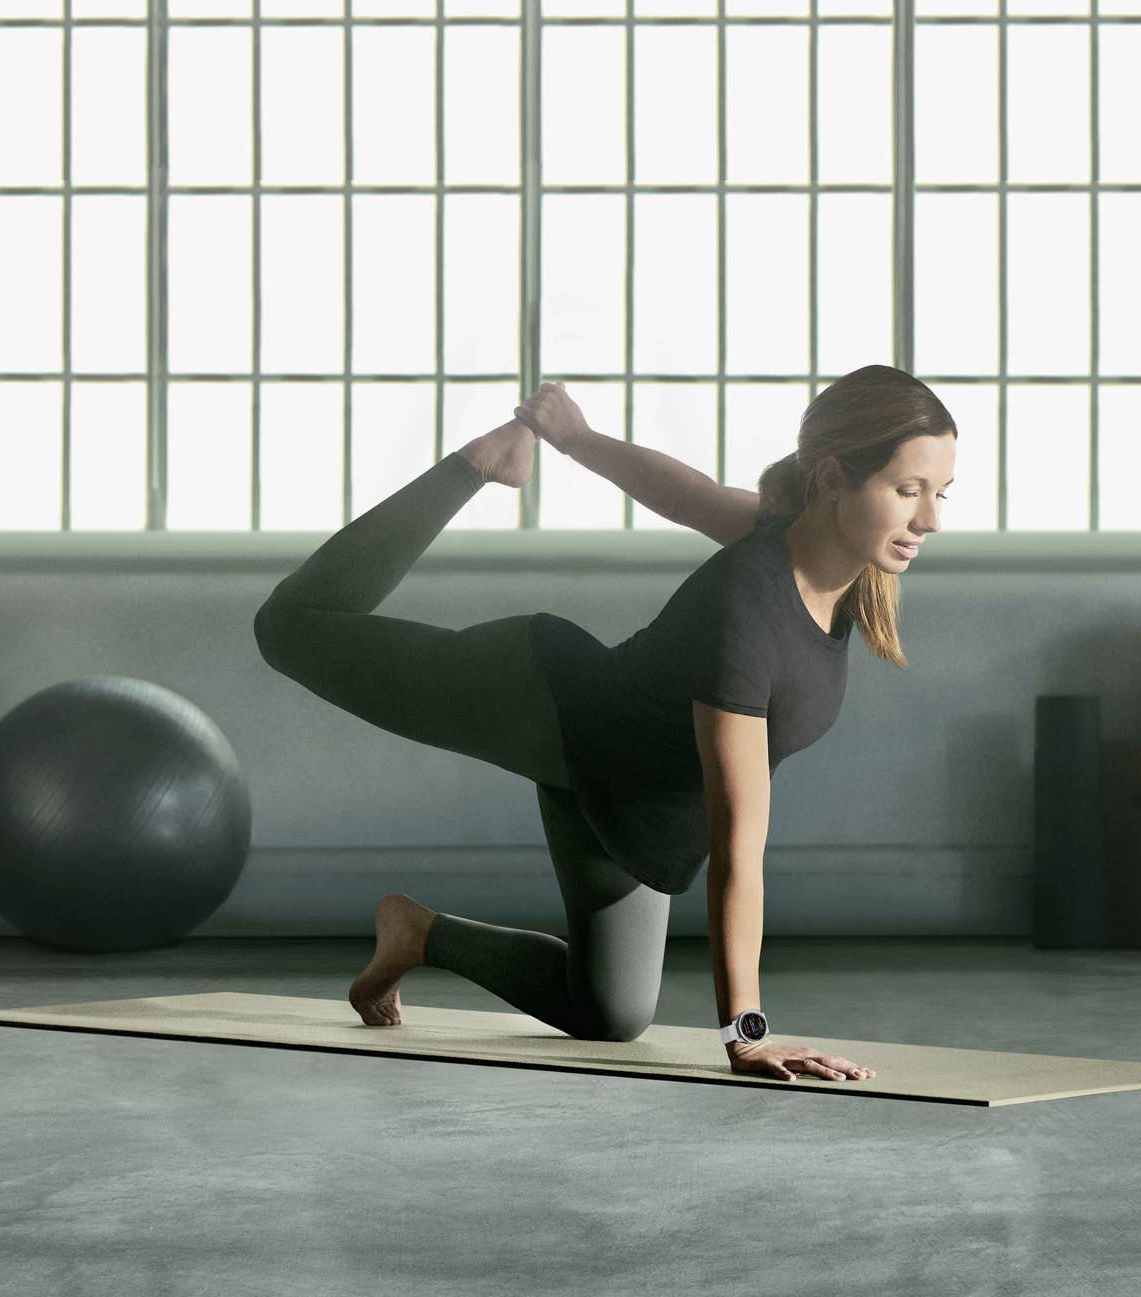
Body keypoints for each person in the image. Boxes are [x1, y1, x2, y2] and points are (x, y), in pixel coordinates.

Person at [252, 363, 958, 1083]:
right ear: (835, 477)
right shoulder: (746, 611)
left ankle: (416, 934)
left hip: (632, 805)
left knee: (609, 1015)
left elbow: (688, 495)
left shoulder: (818, 549)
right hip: (545, 704)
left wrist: (577, 439)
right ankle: (477, 463)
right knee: (287, 629)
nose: (930, 519)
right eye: (908, 492)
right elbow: (736, 847)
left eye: (940, 493)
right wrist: (747, 1035)